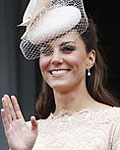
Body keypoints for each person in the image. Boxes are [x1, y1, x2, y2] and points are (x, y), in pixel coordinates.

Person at [1, 0, 120, 150]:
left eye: (67, 49)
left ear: (90, 59)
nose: (55, 59)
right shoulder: (28, 132)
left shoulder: (115, 122)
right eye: (46, 51)